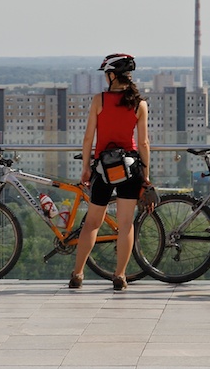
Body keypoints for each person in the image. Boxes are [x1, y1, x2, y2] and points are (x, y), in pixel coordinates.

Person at [70, 53, 151, 291]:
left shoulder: (99, 100)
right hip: (130, 167)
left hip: (103, 168)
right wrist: (146, 176)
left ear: (112, 75)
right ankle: (120, 276)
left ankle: (78, 274)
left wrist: (85, 167)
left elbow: (88, 138)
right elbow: (144, 143)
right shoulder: (140, 103)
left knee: (92, 223)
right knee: (126, 224)